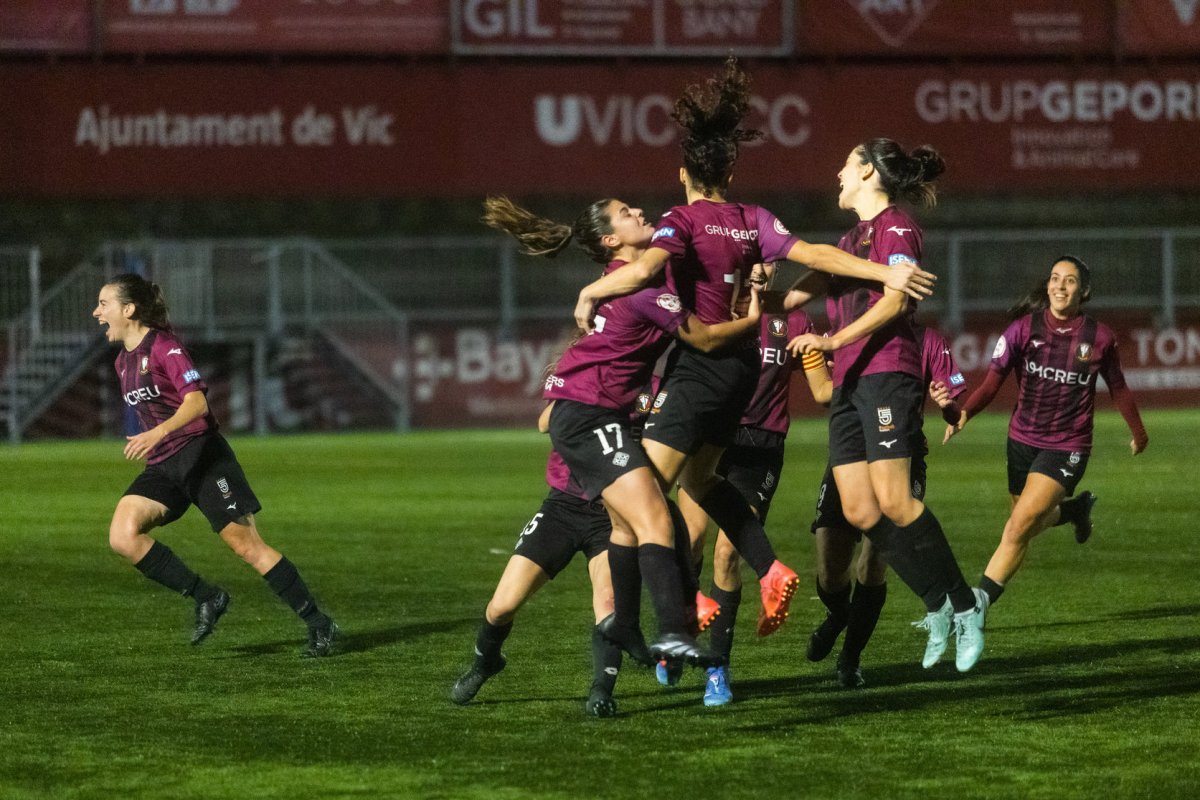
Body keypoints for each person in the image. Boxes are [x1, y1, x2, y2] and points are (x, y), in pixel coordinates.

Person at [572, 57, 935, 643]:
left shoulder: (682, 220)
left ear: (685, 174)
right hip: (741, 377)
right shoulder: (752, 217)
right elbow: (815, 255)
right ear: (729, 175)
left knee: (640, 501)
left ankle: (662, 625)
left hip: (701, 369)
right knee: (702, 482)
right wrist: (880, 272)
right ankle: (766, 568)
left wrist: (592, 288)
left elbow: (647, 270)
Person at [478, 194, 762, 684]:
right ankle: (674, 630)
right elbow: (705, 338)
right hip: (586, 417)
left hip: (589, 415)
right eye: (626, 213)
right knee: (655, 517)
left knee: (641, 522)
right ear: (611, 239)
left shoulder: (635, 278)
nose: (640, 212)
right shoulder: (643, 289)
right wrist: (755, 318)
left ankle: (629, 626)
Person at [787, 138, 987, 673]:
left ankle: (966, 607)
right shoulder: (850, 237)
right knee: (857, 509)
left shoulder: (895, 228)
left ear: (870, 173)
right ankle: (938, 603)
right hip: (851, 383)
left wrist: (831, 342)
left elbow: (898, 300)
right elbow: (790, 294)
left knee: (897, 502)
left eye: (846, 164)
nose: (837, 173)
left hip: (886, 375)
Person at [93, 273, 337, 657]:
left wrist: (157, 434)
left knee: (246, 546)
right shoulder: (123, 361)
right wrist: (157, 442)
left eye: (103, 304)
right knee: (122, 536)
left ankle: (319, 623)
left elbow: (196, 404)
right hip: (164, 468)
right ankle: (207, 597)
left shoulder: (165, 347)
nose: (97, 312)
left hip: (204, 457)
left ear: (129, 309)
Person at [945, 255, 1148, 619]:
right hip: (1022, 440)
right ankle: (1074, 510)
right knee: (1024, 525)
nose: (1059, 286)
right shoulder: (1023, 330)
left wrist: (1139, 432)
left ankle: (977, 606)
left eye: (1069, 281)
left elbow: (1117, 387)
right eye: (1055, 278)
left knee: (1018, 525)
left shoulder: (1099, 338)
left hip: (1068, 446)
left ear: (1083, 290)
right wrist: (966, 413)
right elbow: (993, 381)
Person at [671, 266, 832, 706]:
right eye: (752, 259)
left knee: (728, 554)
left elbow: (822, 390)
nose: (761, 268)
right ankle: (678, 627)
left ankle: (717, 671)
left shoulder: (793, 317)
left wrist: (868, 380)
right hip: (710, 439)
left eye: (768, 260)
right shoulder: (709, 307)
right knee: (690, 540)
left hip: (761, 446)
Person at [805, 323, 966, 688]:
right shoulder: (847, 330)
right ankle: (838, 616)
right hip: (849, 457)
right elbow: (821, 387)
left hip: (901, 458)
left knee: (874, 563)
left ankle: (850, 659)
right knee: (830, 570)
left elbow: (956, 410)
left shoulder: (927, 339)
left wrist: (949, 407)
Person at [449, 447, 625, 718]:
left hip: (614, 515)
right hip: (562, 508)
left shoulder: (647, 404)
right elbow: (545, 421)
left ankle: (601, 692)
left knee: (608, 604)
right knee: (500, 608)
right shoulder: (582, 402)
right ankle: (485, 663)